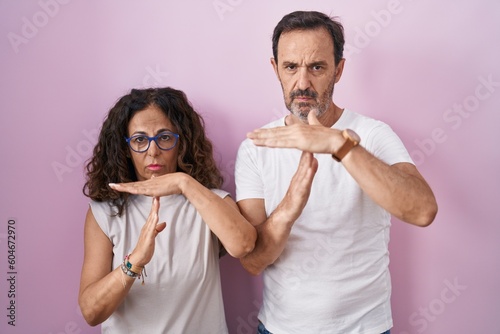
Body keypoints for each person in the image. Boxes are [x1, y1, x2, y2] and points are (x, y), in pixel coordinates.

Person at [234, 11, 438, 334]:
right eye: (291, 67)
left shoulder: (372, 135)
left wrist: (340, 147)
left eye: (317, 67)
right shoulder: (256, 147)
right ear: (275, 69)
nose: (303, 83)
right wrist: (290, 207)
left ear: (339, 70)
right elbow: (253, 262)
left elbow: (423, 209)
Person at [78, 87, 256, 333]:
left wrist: (183, 183)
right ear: (126, 149)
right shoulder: (105, 213)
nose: (153, 151)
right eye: (140, 139)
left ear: (181, 143)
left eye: (164, 137)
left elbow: (244, 245)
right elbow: (91, 312)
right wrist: (135, 261)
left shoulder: (211, 201)